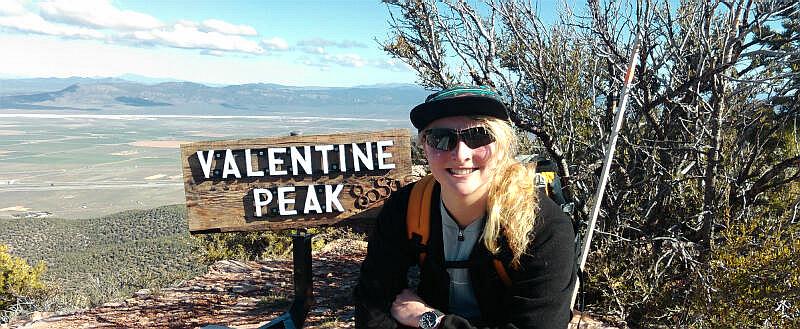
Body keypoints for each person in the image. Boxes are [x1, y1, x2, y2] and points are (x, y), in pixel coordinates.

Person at [353, 86, 576, 328]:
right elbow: (373, 302)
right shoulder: (407, 207)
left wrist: (432, 321)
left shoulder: (543, 226)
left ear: (502, 147)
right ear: (425, 147)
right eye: (441, 138)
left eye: (479, 136)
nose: (461, 154)